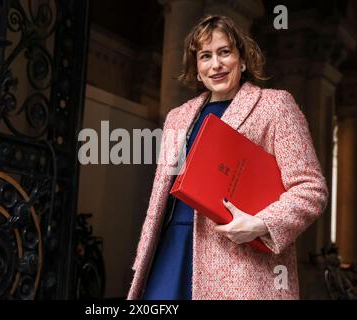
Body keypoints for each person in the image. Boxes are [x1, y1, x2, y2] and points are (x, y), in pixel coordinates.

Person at [128, 15, 329, 300]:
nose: (216, 64)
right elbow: (159, 201)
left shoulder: (275, 106)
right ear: (197, 69)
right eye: (205, 56)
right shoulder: (177, 117)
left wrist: (261, 224)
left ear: (243, 60)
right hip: (172, 249)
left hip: (241, 263)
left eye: (225, 52)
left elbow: (311, 189)